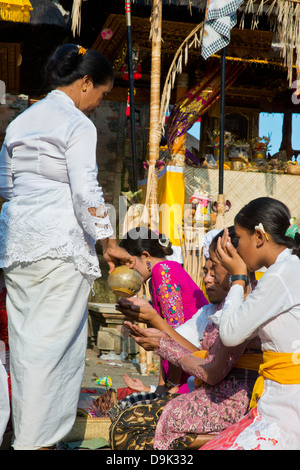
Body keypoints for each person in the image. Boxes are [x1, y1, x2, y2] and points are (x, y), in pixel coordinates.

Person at [0, 43, 134, 450]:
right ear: (86, 83)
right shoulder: (77, 123)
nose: (97, 104)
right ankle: (37, 444)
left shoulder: (21, 122)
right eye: (101, 94)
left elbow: (6, 187)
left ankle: (28, 437)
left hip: (19, 243)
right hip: (59, 245)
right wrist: (108, 242)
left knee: (27, 346)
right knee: (55, 350)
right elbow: (86, 191)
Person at [110, 228, 261, 450]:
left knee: (129, 425)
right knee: (123, 413)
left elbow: (211, 369)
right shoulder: (220, 306)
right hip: (209, 390)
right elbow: (179, 334)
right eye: (205, 270)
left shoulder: (246, 303)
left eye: (214, 267)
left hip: (230, 401)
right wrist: (157, 333)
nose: (207, 279)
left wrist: (161, 341)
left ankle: (221, 440)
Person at [201, 197, 300, 450]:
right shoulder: (285, 269)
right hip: (278, 398)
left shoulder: (283, 273)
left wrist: (238, 278)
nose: (237, 248)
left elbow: (231, 334)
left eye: (240, 239)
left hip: (288, 407)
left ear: (258, 236)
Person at [119, 227, 208, 392]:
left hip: (192, 372)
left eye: (129, 263)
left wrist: (170, 388)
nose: (129, 270)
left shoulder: (163, 271)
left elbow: (174, 335)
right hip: (183, 369)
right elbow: (165, 338)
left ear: (145, 256)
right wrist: (160, 386)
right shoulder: (159, 275)